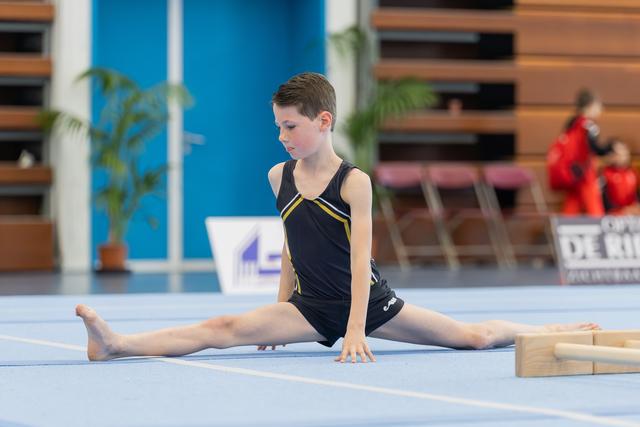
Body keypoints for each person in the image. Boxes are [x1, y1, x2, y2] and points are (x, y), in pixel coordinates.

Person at [76, 72, 599, 364]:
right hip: (309, 306)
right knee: (222, 328)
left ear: (323, 122)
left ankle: (547, 327)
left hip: (369, 304)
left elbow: (359, 258)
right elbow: (290, 246)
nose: (282, 137)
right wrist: (279, 312)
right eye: (278, 127)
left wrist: (356, 331)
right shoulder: (277, 176)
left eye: (291, 127)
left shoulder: (354, 182)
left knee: (473, 337)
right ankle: (117, 343)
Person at [559, 89, 613, 216]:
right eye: (599, 106)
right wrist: (610, 148)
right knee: (593, 201)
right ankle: (599, 227)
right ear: (591, 106)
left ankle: (565, 227)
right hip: (585, 171)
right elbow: (595, 148)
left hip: (572, 170)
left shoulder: (572, 123)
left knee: (573, 201)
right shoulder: (589, 126)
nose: (601, 110)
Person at [601, 139, 640, 215]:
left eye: (625, 150)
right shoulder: (605, 174)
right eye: (619, 152)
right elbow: (602, 200)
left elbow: (636, 197)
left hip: (632, 212)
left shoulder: (633, 173)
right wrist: (622, 210)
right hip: (614, 214)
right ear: (611, 156)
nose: (624, 155)